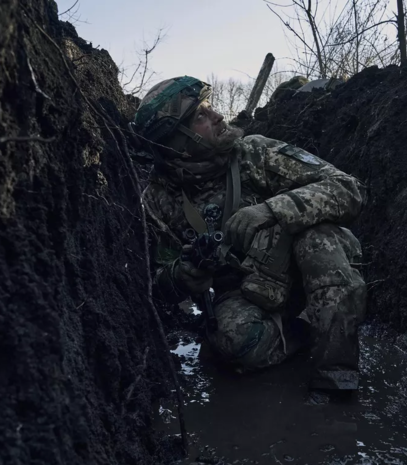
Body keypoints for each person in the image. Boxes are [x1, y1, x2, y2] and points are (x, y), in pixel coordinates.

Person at [132, 76, 367, 394]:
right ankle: (308, 330)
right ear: (175, 143)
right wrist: (182, 276)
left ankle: (337, 377)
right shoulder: (158, 200)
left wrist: (272, 210)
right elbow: (154, 283)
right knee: (231, 343)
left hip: (305, 269)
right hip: (247, 292)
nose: (216, 116)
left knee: (319, 243)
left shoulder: (254, 154)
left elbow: (347, 188)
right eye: (199, 116)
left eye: (209, 107)